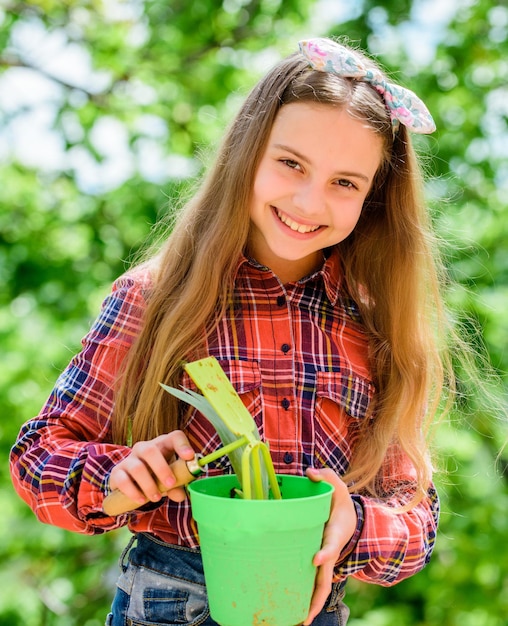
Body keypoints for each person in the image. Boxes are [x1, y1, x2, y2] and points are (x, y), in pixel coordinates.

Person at [10, 36, 450, 625]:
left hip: (310, 608)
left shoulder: (375, 325)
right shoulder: (155, 298)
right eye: (290, 163)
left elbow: (414, 515)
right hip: (168, 599)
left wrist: (356, 526)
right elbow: (37, 456)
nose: (307, 199)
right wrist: (121, 476)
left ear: (373, 199)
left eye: (345, 182)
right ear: (247, 153)